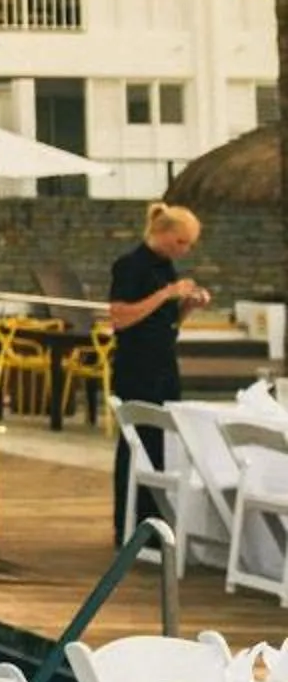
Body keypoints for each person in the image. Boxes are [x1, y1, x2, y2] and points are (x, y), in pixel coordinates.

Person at [109, 200, 207, 538]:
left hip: (163, 363)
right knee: (136, 443)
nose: (184, 250)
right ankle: (128, 522)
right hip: (136, 366)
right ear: (162, 233)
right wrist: (166, 294)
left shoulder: (167, 267)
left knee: (162, 444)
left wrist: (185, 307)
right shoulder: (130, 266)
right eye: (181, 242)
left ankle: (155, 522)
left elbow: (165, 324)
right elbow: (120, 317)